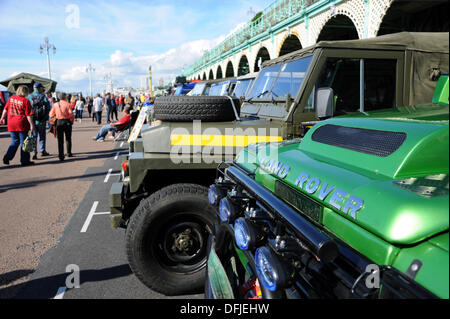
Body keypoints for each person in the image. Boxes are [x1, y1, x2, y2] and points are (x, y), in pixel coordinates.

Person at [0, 85, 35, 166]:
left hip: (11, 123)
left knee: (15, 141)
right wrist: (31, 125)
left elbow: (5, 109)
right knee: (24, 143)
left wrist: (2, 118)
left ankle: (7, 157)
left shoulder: (11, 98)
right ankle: (25, 160)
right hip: (21, 124)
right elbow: (28, 115)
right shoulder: (26, 101)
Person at [27, 82, 51, 159]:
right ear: (39, 88)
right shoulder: (43, 97)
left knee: (33, 136)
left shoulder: (29, 97)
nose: (42, 89)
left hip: (32, 120)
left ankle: (34, 152)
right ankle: (42, 151)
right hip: (41, 120)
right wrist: (46, 117)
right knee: (42, 136)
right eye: (41, 88)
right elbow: (48, 108)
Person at [49, 92, 74, 161]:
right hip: (67, 122)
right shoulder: (68, 104)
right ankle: (69, 153)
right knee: (68, 138)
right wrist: (71, 121)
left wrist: (55, 116)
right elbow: (71, 114)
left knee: (60, 139)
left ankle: (61, 155)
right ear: (65, 97)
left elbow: (51, 114)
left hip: (59, 122)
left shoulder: (55, 104)